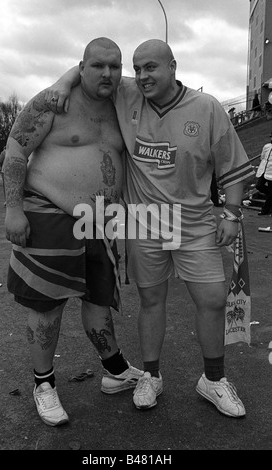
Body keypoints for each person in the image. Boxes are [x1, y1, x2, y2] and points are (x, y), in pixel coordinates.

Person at [45, 38, 254, 418]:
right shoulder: (128, 94)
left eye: (151, 67)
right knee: (151, 300)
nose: (141, 75)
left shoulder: (206, 108)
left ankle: (213, 380)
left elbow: (232, 165)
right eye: (137, 68)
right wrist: (61, 83)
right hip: (145, 222)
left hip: (194, 222)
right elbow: (90, 68)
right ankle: (151, 376)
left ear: (173, 67)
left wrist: (233, 213)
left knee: (212, 300)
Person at [3, 37, 143, 428]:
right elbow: (15, 152)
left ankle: (115, 370)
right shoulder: (53, 101)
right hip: (49, 212)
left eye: (115, 67)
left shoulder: (124, 102)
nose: (108, 74)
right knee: (47, 306)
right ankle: (43, 385)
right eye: (98, 66)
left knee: (99, 301)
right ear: (80, 66)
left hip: (99, 222)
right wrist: (14, 209)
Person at [255, 131, 272, 215]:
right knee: (259, 186)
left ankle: (265, 210)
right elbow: (262, 157)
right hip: (263, 171)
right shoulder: (267, 146)